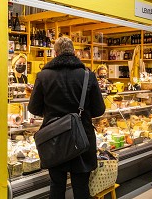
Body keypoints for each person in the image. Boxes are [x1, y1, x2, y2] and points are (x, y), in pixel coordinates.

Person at [28, 37, 105, 199]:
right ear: (74, 53)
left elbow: (33, 108)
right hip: (81, 139)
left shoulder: (43, 76)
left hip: (54, 140)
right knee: (81, 187)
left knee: (56, 185)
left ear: (55, 53)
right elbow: (99, 110)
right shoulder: (87, 76)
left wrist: (52, 113)